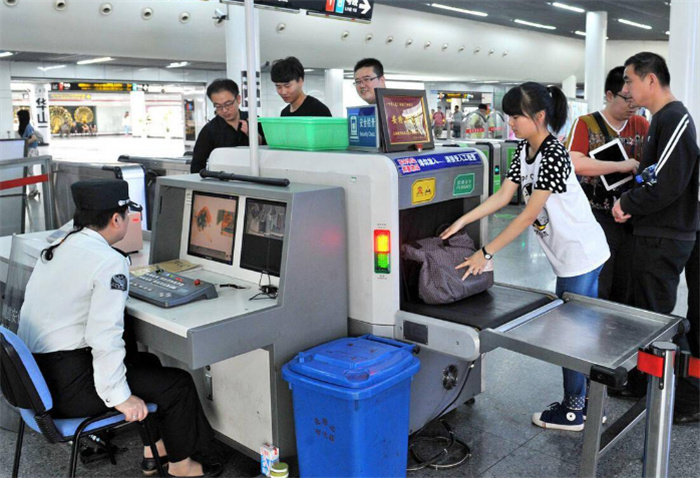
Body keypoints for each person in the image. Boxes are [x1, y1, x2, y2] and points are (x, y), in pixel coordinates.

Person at [17, 180, 223, 477]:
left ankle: (155, 450)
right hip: (67, 389)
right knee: (177, 385)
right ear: (116, 219)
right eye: (127, 214)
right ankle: (183, 467)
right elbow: (104, 337)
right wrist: (120, 398)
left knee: (146, 362)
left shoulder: (59, 246)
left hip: (38, 380)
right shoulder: (109, 262)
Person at [441, 82, 610, 431]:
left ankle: (574, 409)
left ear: (540, 116)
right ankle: (587, 404)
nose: (511, 123)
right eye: (509, 116)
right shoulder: (523, 150)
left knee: (573, 334)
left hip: (580, 253)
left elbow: (527, 215)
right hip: (572, 252)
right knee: (580, 329)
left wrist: (484, 252)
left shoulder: (553, 154)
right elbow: (504, 196)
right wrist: (465, 217)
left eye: (516, 116)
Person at [611, 52, 700, 402]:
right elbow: (653, 175)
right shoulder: (661, 119)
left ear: (651, 80)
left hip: (666, 235)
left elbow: (666, 183)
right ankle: (643, 384)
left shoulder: (675, 117)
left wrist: (627, 203)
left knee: (659, 320)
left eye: (629, 80)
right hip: (653, 232)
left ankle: (688, 396)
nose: (625, 89)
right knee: (646, 314)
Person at [566, 66, 649, 305]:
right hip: (596, 216)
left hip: (631, 215)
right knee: (601, 279)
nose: (633, 105)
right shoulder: (586, 124)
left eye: (637, 99)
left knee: (626, 282)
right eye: (627, 98)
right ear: (610, 95)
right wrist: (621, 165)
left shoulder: (641, 125)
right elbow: (576, 163)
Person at [191, 78, 265, 173]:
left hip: (254, 178)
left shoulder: (254, 121)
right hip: (223, 181)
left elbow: (269, 153)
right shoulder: (210, 130)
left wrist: (253, 136)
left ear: (238, 99)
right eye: (218, 106)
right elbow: (197, 164)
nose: (224, 110)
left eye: (228, 104)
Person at [17, 109, 40, 198]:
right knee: (28, 171)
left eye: (19, 117)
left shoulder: (28, 127)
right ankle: (33, 189)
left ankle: (33, 190)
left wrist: (24, 143)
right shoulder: (24, 127)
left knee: (29, 171)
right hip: (28, 150)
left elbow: (33, 138)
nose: (18, 118)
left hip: (32, 150)